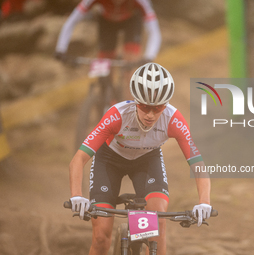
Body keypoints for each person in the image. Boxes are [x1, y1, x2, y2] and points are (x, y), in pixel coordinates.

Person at [68, 63, 212, 255]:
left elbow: (197, 164)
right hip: (109, 160)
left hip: (147, 160)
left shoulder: (173, 119)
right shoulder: (117, 116)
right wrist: (77, 195)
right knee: (101, 237)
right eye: (145, 107)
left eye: (158, 107)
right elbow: (78, 159)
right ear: (136, 101)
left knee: (157, 225)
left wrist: (204, 202)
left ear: (166, 104)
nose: (151, 115)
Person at [55, 0, 161, 63]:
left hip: (131, 23)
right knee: (104, 62)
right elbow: (72, 21)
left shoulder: (141, 1)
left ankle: (132, 97)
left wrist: (149, 56)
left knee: (130, 61)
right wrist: (60, 49)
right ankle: (107, 94)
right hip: (107, 23)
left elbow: (154, 32)